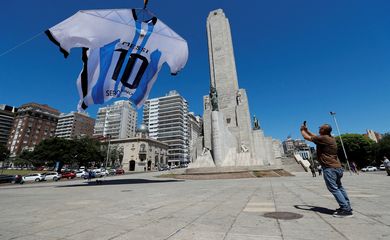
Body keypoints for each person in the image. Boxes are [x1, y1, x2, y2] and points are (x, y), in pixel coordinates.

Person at [301, 123, 353, 218]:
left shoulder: (323, 139)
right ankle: (347, 206)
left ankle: (345, 209)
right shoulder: (330, 138)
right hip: (337, 167)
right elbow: (314, 136)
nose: (319, 129)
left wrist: (302, 130)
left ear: (324, 131)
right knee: (339, 187)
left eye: (320, 128)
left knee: (333, 188)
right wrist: (307, 130)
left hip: (330, 168)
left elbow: (307, 137)